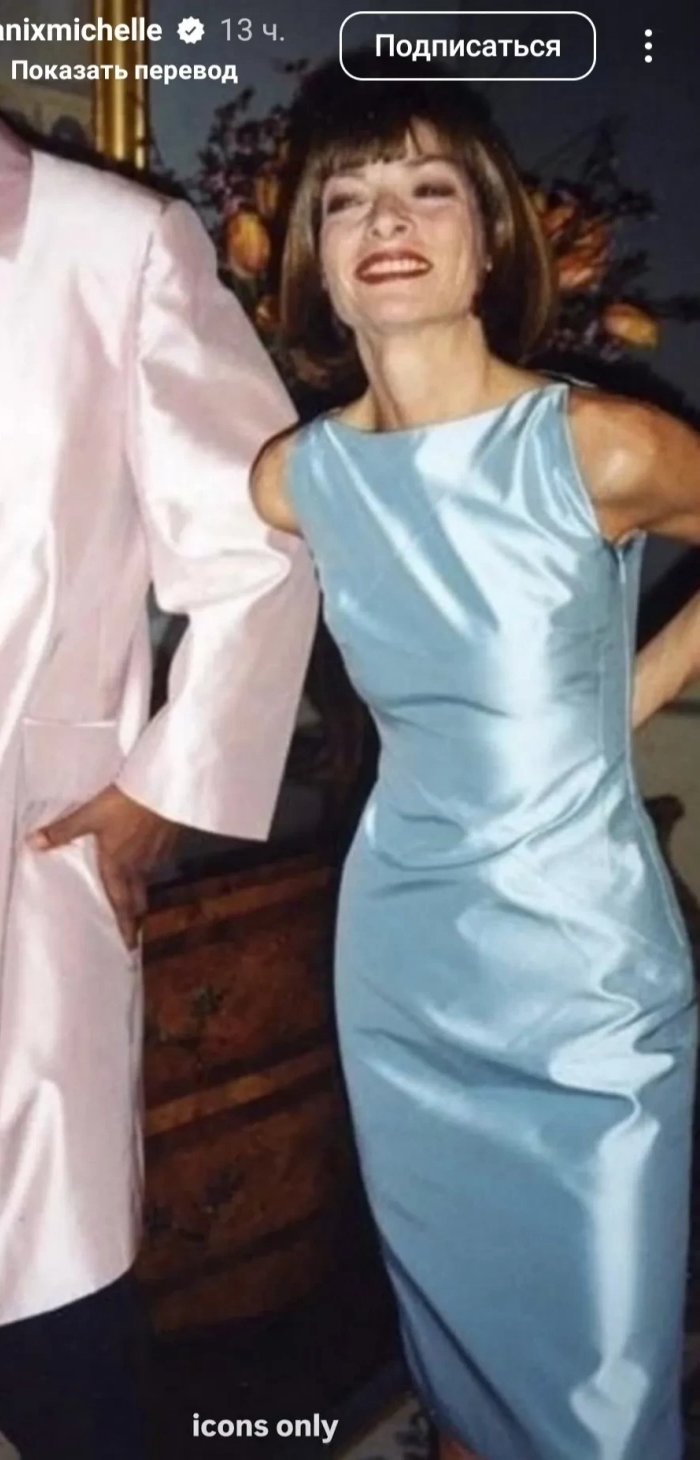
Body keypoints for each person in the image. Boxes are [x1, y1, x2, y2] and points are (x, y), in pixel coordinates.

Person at [0, 0, 318, 1455]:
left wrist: (165, 789)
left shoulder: (111, 247)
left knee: (46, 1323)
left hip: (3, 875)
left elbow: (260, 545)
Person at [252, 65, 700, 1460]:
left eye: (426, 187)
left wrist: (627, 694)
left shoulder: (595, 446)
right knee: (456, 1354)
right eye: (347, 198)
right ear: (316, 257)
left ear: (490, 236)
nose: (386, 219)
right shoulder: (295, 480)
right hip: (403, 964)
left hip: (584, 976)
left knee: (601, 1392)